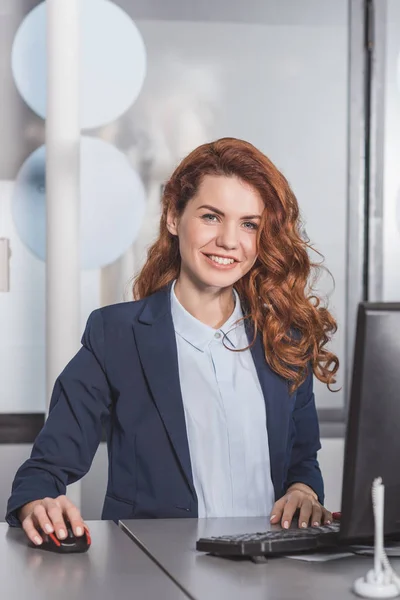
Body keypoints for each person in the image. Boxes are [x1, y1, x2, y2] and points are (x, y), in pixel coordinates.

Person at [6, 137, 339, 547]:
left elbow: (303, 460)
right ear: (172, 217)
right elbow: (46, 467)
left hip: (269, 575)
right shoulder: (117, 336)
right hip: (157, 574)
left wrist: (303, 491)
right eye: (212, 217)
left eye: (249, 224)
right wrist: (39, 503)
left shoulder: (284, 340)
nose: (230, 241)